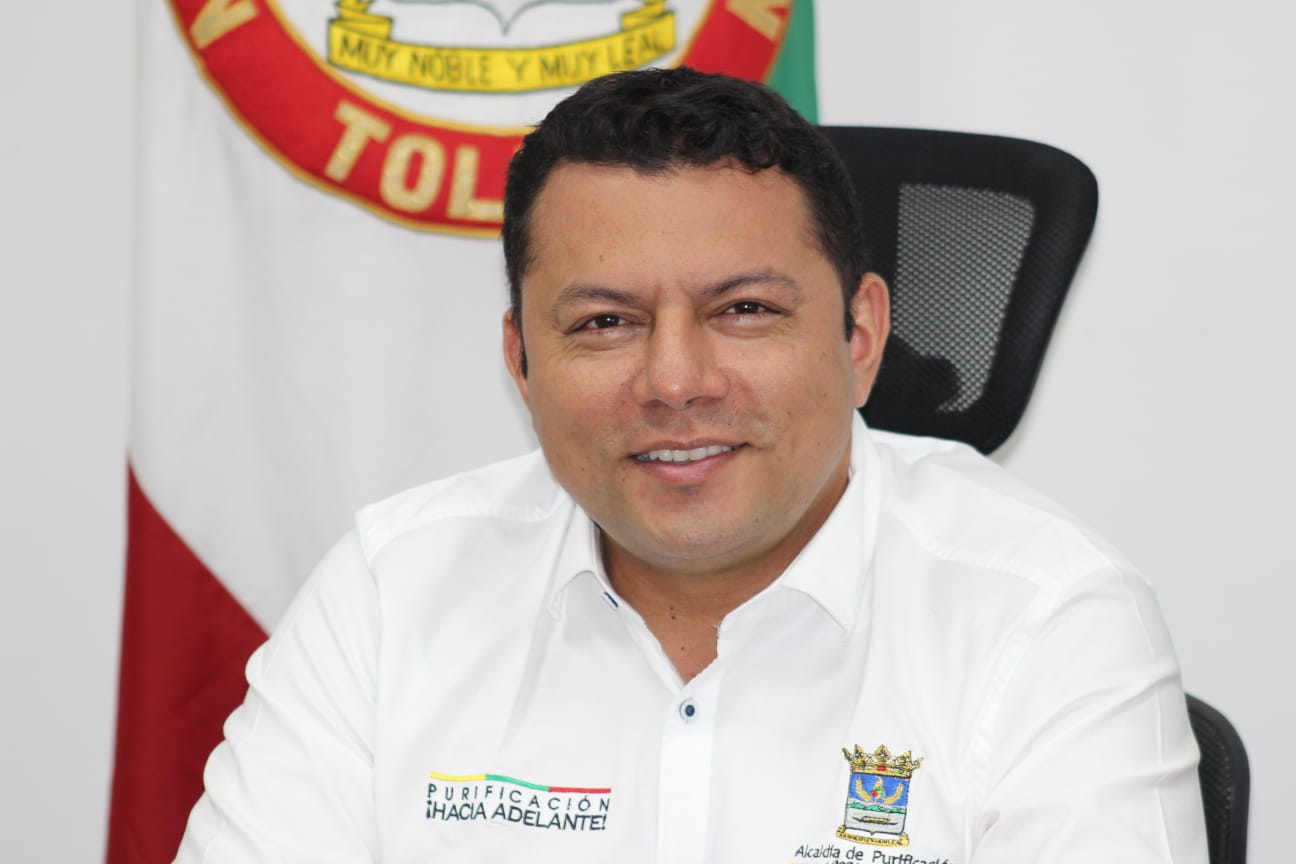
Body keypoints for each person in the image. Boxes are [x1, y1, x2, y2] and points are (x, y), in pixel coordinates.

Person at [173, 68, 1207, 863]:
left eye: (744, 310)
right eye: (606, 322)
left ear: (859, 335)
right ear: (521, 362)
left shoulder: (1046, 617)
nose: (674, 381)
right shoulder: (391, 591)